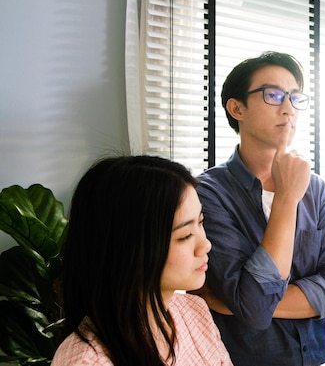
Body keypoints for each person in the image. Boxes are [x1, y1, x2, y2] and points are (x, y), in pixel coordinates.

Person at [192, 51, 325, 366]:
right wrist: (287, 199)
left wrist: (241, 301)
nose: (288, 108)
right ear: (237, 108)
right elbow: (252, 308)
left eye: (294, 97)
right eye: (273, 95)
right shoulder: (208, 194)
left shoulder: (316, 188)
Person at [51, 155, 233, 366]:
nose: (205, 245)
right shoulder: (87, 361)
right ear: (129, 249)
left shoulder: (193, 311)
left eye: (201, 222)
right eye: (184, 236)